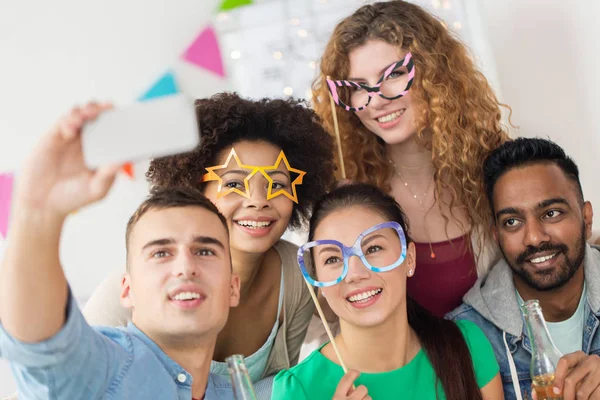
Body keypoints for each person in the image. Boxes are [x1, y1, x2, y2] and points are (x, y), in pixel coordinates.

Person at [82, 93, 336, 394]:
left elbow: (280, 386)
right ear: (195, 189)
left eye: (277, 184)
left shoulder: (298, 275)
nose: (258, 200)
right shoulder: (129, 290)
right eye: (233, 184)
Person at [0, 103, 239, 399]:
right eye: (161, 253)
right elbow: (43, 349)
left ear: (233, 287)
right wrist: (38, 213)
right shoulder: (102, 369)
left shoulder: (236, 392)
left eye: (204, 251)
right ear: (127, 290)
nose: (185, 267)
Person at [312, 0, 511, 317]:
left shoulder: (496, 171)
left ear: (436, 74)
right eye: (358, 87)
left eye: (394, 75)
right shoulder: (344, 199)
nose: (376, 101)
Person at [273, 183, 504, 400]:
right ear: (318, 279)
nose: (355, 273)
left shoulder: (467, 346)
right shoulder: (297, 389)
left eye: (373, 248)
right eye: (333, 259)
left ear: (409, 258)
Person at [447, 138, 600, 400]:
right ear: (496, 235)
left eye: (551, 213)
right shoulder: (467, 339)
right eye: (513, 221)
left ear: (586, 219)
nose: (534, 238)